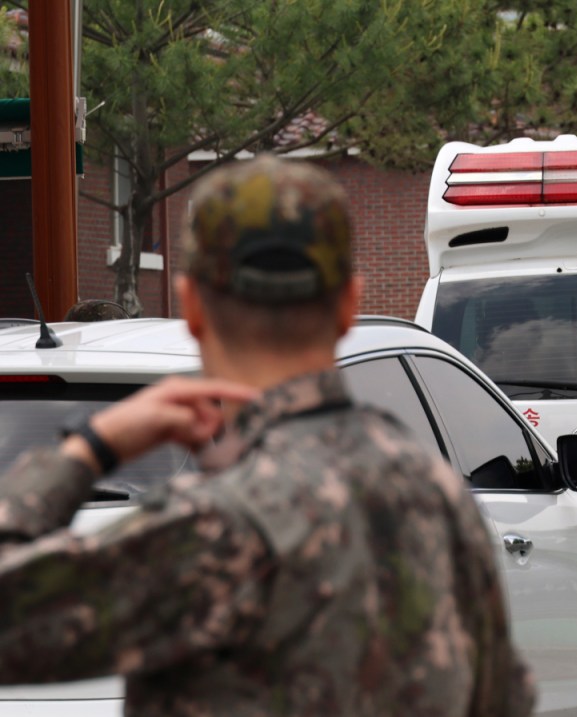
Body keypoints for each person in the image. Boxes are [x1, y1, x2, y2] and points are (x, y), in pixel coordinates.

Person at [0, 155, 535, 716]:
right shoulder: (440, 496)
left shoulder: (216, 525)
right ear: (350, 304)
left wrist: (89, 449)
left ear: (194, 309)